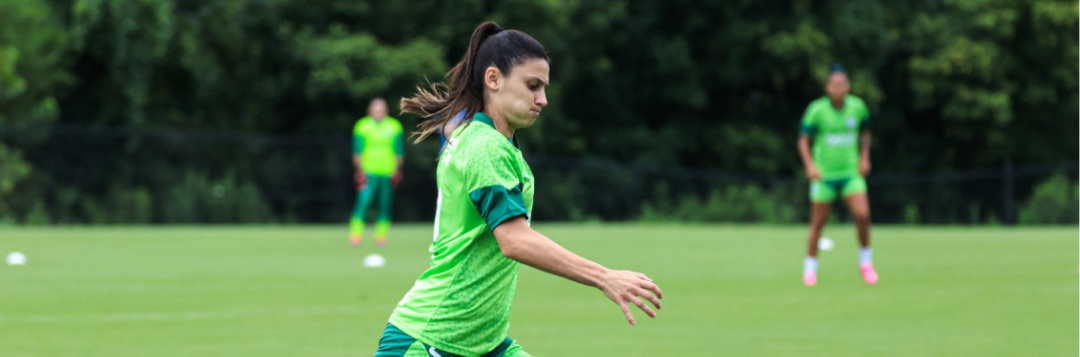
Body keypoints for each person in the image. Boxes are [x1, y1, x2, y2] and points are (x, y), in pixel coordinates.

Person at [374, 22, 663, 357]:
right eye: (532, 85)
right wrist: (604, 277)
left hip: (482, 343)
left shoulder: (481, 138)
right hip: (432, 340)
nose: (542, 99)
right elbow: (513, 240)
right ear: (493, 79)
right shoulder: (486, 147)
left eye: (544, 88)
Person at [797, 64, 879, 286]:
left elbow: (865, 132)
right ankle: (810, 268)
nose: (838, 88)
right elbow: (803, 140)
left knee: (862, 215)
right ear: (827, 88)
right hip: (824, 176)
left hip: (850, 173)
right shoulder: (817, 110)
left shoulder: (858, 107)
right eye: (833, 85)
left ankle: (866, 263)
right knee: (817, 224)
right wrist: (810, 165)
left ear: (848, 86)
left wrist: (864, 157)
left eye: (841, 84)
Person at [349, 98, 404, 247]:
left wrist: (398, 171)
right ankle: (355, 235)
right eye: (375, 110)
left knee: (385, 205)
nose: (378, 113)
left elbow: (398, 152)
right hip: (368, 172)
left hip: (388, 173)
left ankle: (381, 236)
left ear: (386, 111)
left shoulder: (395, 126)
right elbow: (357, 152)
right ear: (370, 111)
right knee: (363, 203)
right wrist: (359, 171)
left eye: (381, 110)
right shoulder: (362, 126)